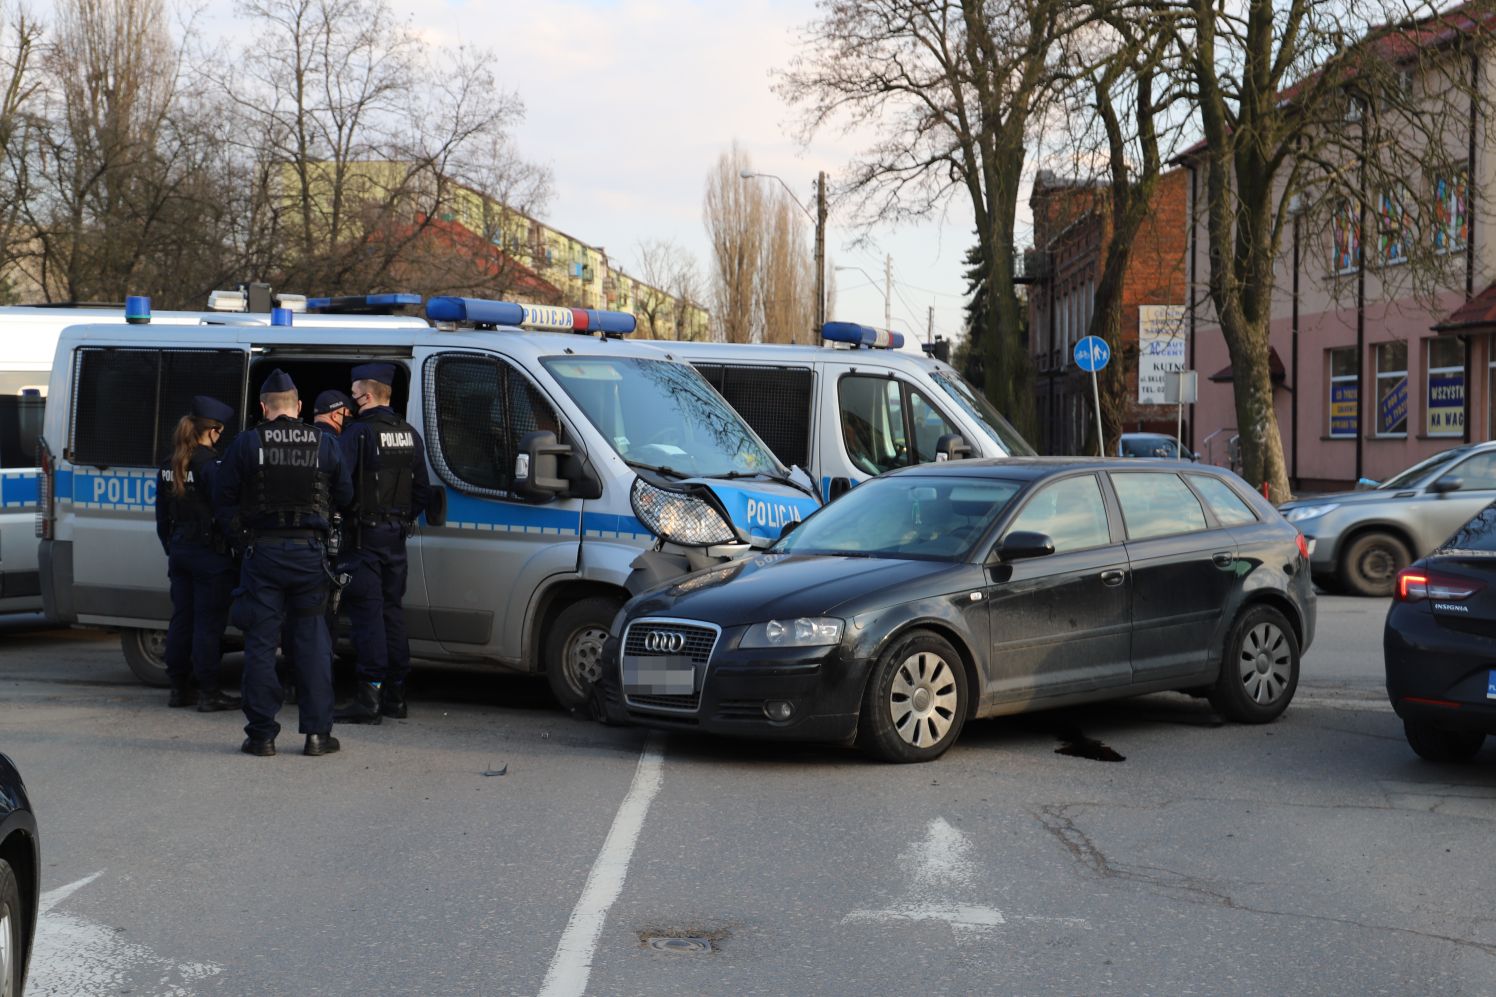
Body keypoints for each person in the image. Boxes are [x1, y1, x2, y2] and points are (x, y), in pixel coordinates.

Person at [215, 369, 353, 757]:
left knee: (260, 645)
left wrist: (242, 540)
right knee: (312, 644)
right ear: (299, 406)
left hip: (263, 555)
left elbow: (222, 499)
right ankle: (317, 735)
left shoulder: (246, 444)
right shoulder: (324, 443)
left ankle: (262, 736)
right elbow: (346, 494)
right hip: (310, 556)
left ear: (263, 407)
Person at [334, 363, 430, 724]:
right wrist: (402, 520)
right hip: (394, 537)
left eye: (355, 393)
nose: (352, 399)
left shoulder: (357, 433)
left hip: (363, 538)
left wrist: (347, 513)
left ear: (369, 395)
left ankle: (368, 698)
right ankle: (396, 695)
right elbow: (421, 490)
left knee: (367, 616)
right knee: (392, 612)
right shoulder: (409, 433)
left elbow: (339, 483)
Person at [154, 395, 241, 712]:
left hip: (180, 551)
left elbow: (161, 517)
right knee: (208, 625)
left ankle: (178, 689)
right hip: (209, 555)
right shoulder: (210, 465)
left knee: (182, 620)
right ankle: (209, 692)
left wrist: (172, 547)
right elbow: (224, 510)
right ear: (213, 430)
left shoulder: (168, 464)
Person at [277, 389, 357, 704]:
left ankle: (293, 682)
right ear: (339, 414)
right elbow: (347, 496)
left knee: (290, 618)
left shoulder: (292, 441)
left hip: (282, 544)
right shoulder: (333, 445)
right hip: (322, 546)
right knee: (321, 620)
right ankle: (317, 689)